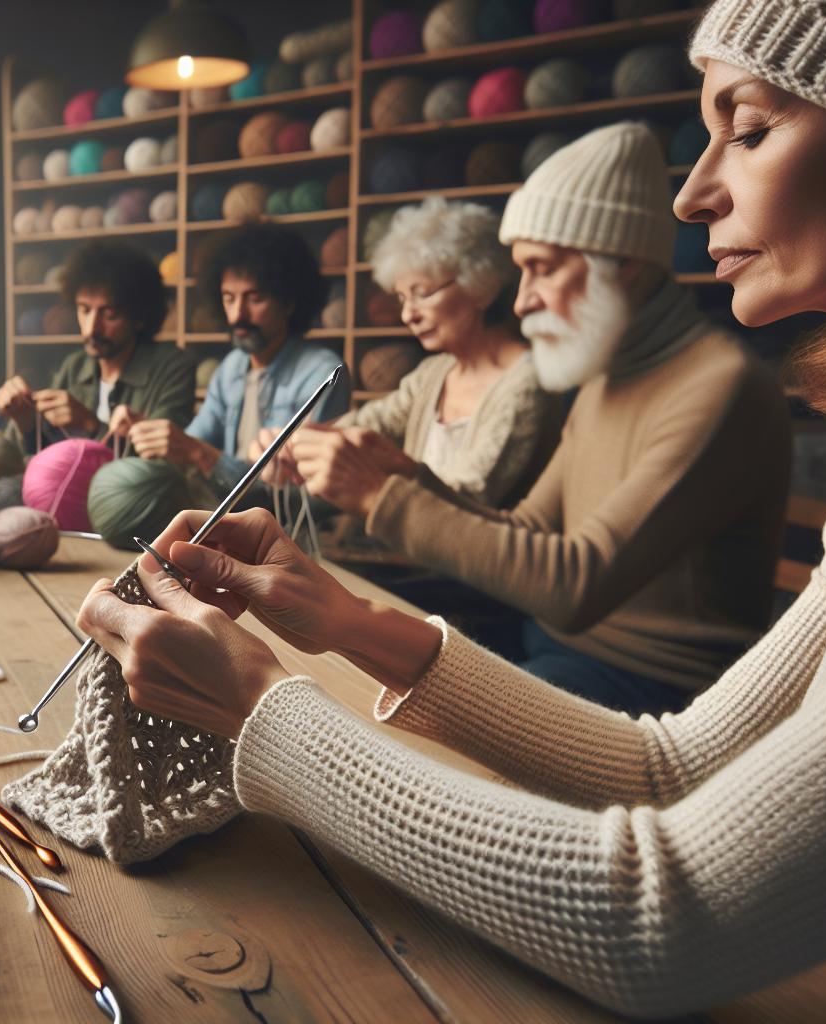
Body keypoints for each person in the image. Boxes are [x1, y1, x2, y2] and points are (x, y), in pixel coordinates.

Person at [74, 0, 826, 1016]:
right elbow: (670, 766)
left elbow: (662, 924)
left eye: (753, 128)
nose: (693, 194)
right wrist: (345, 617)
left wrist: (260, 712)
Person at [287, 123, 792, 715]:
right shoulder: (609, 377)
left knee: (361, 707)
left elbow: (576, 586)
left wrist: (379, 495)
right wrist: (405, 475)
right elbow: (528, 526)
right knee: (332, 670)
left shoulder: (719, 385)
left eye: (542, 268)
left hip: (653, 691)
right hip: (551, 649)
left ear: (623, 263)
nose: (522, 299)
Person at [295, 198, 560, 508]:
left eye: (422, 294)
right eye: (402, 299)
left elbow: (471, 496)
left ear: (482, 285)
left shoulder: (527, 382)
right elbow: (371, 423)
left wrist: (371, 475)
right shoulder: (434, 373)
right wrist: (297, 444)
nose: (408, 315)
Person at [128, 224, 349, 494]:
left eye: (254, 299)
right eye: (229, 298)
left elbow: (296, 494)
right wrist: (150, 433)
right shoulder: (231, 368)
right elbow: (194, 440)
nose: (238, 315)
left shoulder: (323, 374)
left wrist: (200, 454)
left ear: (289, 302)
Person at [0, 239, 195, 450]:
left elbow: (158, 460)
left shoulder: (173, 368)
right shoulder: (74, 366)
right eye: (84, 310)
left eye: (109, 315)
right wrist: (27, 423)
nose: (91, 329)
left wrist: (91, 425)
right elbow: (49, 455)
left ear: (139, 317)